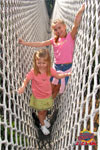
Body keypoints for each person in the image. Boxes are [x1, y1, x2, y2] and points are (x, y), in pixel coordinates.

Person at [18, 4, 85, 98]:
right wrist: (25, 43)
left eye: (59, 27)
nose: (58, 30)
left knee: (57, 88)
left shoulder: (70, 36)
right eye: (55, 29)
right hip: (56, 67)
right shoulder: (54, 40)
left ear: (64, 26)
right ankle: (44, 102)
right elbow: (40, 44)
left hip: (67, 67)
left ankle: (49, 103)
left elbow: (76, 24)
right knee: (51, 86)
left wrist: (81, 10)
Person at [17, 49, 71, 135]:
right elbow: (26, 79)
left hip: (47, 95)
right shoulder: (34, 71)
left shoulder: (49, 70)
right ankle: (42, 125)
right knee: (41, 112)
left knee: (45, 110)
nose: (41, 65)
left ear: (48, 62)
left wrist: (66, 74)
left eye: (44, 63)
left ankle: (44, 119)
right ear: (35, 62)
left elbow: (57, 75)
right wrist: (23, 86)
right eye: (39, 63)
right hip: (38, 97)